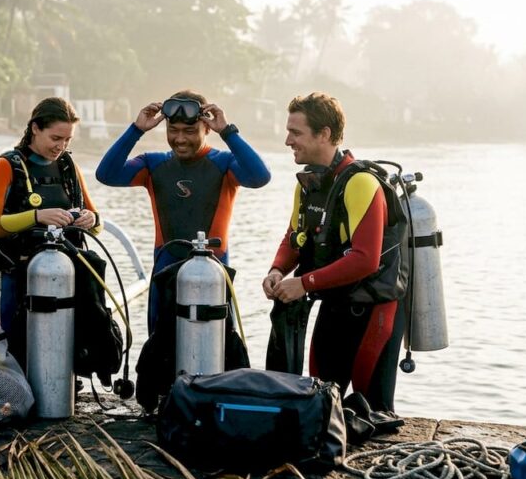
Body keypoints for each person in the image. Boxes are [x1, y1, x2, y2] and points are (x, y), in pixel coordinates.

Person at [262, 92, 404, 414]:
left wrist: (303, 283)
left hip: (374, 312)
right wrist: (277, 271)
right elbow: (295, 236)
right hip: (334, 305)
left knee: (374, 412)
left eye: (295, 132)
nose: (287, 141)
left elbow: (365, 259)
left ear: (324, 134)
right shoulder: (309, 183)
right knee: (323, 404)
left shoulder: (361, 183)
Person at [96, 90, 271, 333]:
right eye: (173, 130)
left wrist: (227, 131)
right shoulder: (153, 164)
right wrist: (136, 130)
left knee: (216, 350)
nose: (180, 139)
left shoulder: (224, 164)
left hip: (212, 277)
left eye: (189, 131)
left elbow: (260, 176)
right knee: (160, 351)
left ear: (207, 128)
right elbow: (106, 174)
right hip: (164, 277)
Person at [0, 97, 102, 332]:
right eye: (55, 138)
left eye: (67, 140)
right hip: (19, 276)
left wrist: (92, 219)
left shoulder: (68, 167)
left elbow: (97, 225)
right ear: (35, 128)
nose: (61, 146)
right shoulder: (7, 166)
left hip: (67, 276)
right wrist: (36, 216)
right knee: (20, 346)